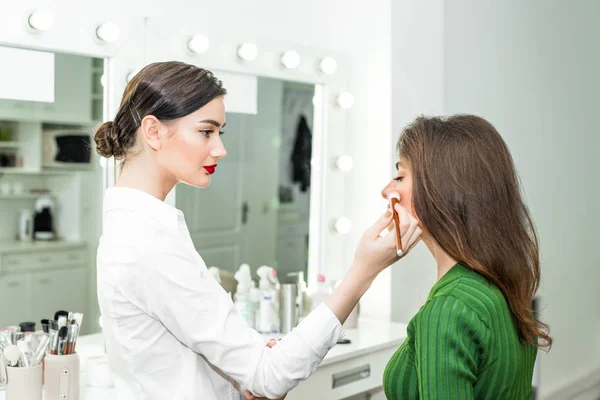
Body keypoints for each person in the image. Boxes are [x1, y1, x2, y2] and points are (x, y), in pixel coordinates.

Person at [94, 61, 421, 400]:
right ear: (153, 131)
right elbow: (269, 376)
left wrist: (240, 377)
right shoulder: (149, 243)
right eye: (206, 132)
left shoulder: (140, 230)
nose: (220, 149)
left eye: (220, 133)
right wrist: (362, 273)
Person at [381, 115, 552, 399]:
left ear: (440, 190)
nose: (387, 191)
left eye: (400, 177)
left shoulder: (448, 309)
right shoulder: (503, 286)